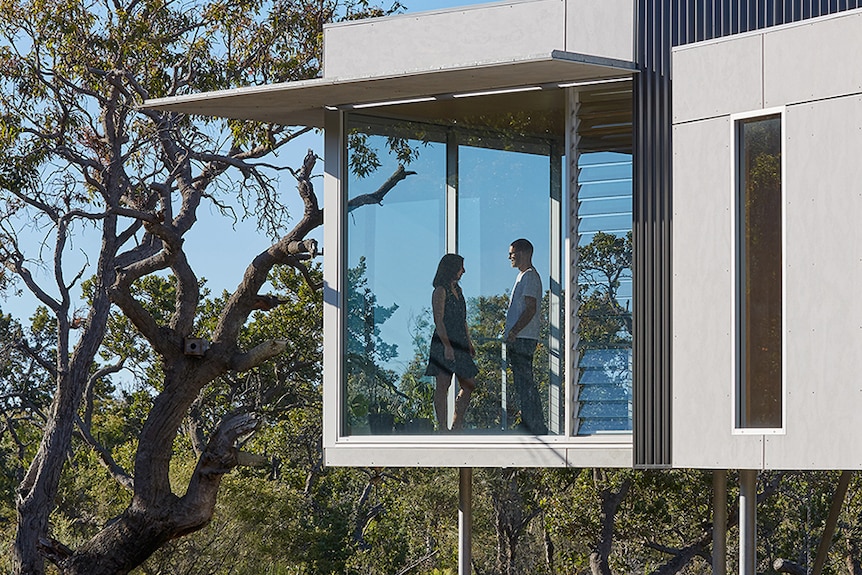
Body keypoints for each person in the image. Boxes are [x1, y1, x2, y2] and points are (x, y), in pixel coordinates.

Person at [425, 254, 477, 431]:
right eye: (461, 267)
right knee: (443, 384)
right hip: (444, 341)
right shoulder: (440, 291)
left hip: (461, 341)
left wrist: (469, 342)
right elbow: (438, 320)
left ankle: (457, 424)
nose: (463, 271)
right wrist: (447, 346)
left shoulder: (459, 291)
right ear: (451, 268)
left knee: (469, 383)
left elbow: (463, 320)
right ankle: (441, 427)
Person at [504, 238, 548, 435]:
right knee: (522, 383)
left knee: (525, 383)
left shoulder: (529, 276)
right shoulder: (522, 276)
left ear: (523, 253)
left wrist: (514, 331)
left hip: (523, 338)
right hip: (520, 337)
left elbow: (530, 308)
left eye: (512, 253)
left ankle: (535, 424)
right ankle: (530, 422)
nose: (509, 257)